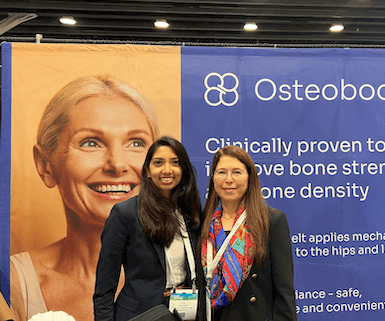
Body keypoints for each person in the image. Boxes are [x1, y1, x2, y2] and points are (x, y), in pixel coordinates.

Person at [10, 75, 160, 321]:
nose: (117, 164)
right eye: (91, 143)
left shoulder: (189, 271)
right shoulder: (12, 284)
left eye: (136, 143)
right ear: (46, 165)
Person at [94, 136, 202, 321]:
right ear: (148, 171)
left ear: (183, 170)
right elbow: (105, 286)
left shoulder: (192, 213)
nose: (167, 170)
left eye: (175, 163)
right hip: (139, 315)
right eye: (158, 163)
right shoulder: (125, 214)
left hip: (184, 313)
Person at [199, 146, 297, 321]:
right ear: (213, 177)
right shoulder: (202, 223)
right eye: (221, 172)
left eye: (237, 172)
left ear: (249, 177)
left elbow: (285, 293)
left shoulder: (271, 221)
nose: (229, 179)